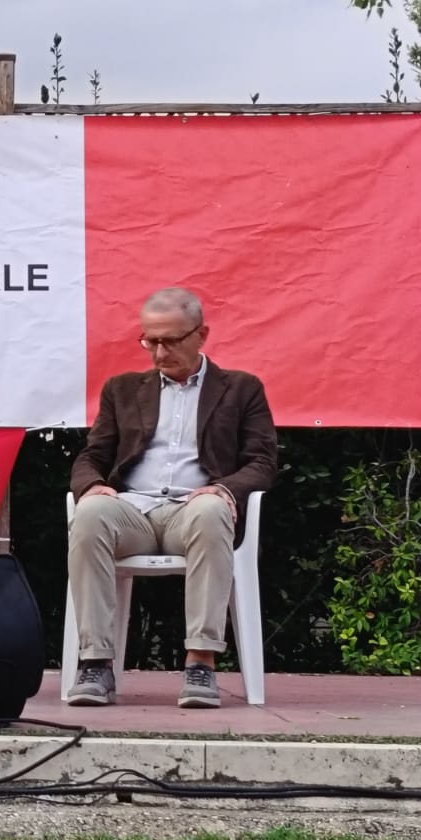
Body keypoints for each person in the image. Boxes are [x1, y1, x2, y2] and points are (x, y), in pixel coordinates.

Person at [66, 287, 277, 709]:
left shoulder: (240, 388)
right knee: (88, 513)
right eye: (151, 341)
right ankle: (95, 664)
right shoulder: (123, 389)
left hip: (194, 512)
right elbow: (92, 456)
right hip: (134, 512)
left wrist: (224, 488)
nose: (160, 353)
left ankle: (201, 663)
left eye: (172, 341)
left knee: (212, 510)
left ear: (201, 335)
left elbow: (262, 461)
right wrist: (91, 485)